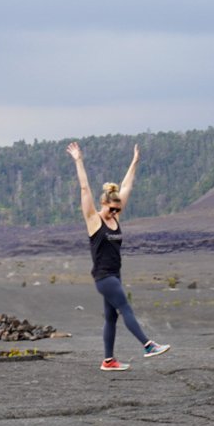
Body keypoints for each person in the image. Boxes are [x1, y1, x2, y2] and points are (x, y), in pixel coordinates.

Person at [67, 140, 170, 371]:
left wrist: (134, 162)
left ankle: (108, 360)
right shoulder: (94, 220)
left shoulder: (116, 218)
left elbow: (127, 186)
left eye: (118, 209)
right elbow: (84, 189)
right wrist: (79, 161)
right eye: (111, 208)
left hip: (115, 274)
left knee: (111, 317)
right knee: (125, 308)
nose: (114, 212)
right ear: (102, 203)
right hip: (104, 277)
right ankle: (148, 345)